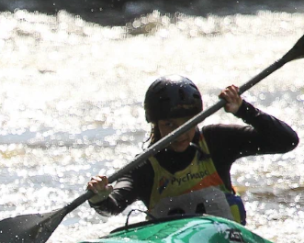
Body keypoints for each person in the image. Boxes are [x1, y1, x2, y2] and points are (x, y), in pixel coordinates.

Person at [86, 76, 299, 224]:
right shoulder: (145, 167)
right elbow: (113, 205)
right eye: (170, 125)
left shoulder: (216, 142)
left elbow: (286, 141)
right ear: (156, 124)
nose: (180, 133)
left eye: (187, 123)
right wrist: (100, 197)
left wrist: (243, 109)